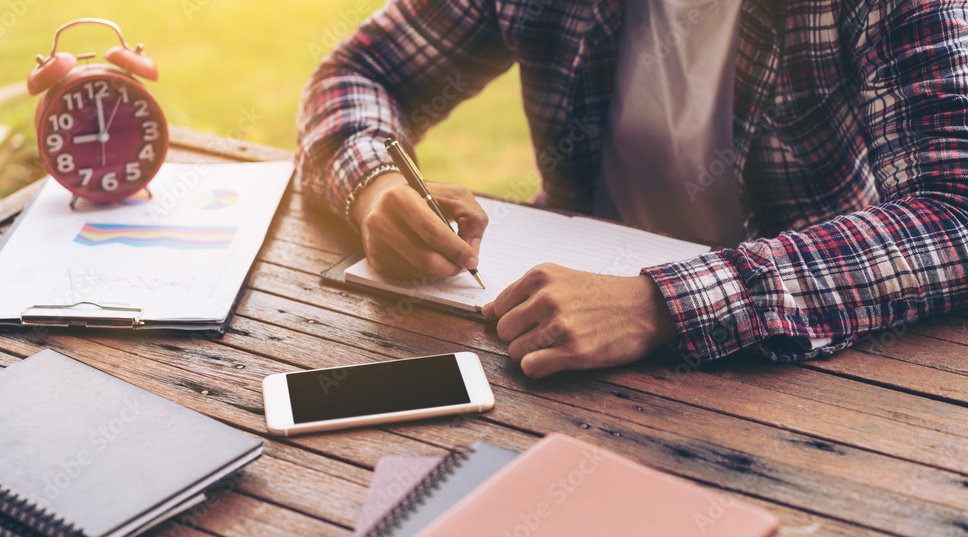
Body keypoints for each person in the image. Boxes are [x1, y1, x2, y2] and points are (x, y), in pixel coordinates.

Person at [297, 0, 968, 379]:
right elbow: (361, 71)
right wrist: (376, 179)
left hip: (798, 364)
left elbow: (954, 215)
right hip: (552, 348)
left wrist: (662, 303)